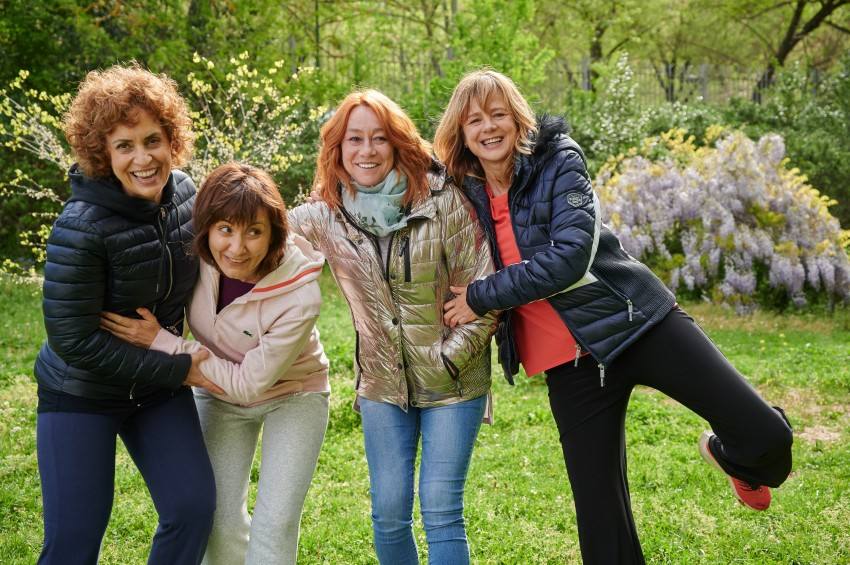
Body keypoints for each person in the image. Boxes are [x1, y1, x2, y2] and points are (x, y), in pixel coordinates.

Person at [433, 69, 794, 565]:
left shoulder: (559, 159)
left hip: (637, 322)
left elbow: (570, 255)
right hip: (566, 362)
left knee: (768, 437)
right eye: (475, 120)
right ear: (462, 131)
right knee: (602, 524)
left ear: (518, 121)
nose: (488, 128)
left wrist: (481, 295)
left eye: (498, 115)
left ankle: (734, 459)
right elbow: (393, 182)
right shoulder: (460, 189)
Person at [287, 89, 497, 565]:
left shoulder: (442, 200)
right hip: (382, 386)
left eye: (379, 139)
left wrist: (449, 356)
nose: (366, 151)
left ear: (397, 143)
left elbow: (485, 287)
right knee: (387, 513)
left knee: (442, 509)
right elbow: (257, 235)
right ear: (337, 149)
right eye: (354, 139)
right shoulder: (326, 215)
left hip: (453, 380)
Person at [100, 162, 330, 565]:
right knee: (217, 521)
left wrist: (164, 345)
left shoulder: (301, 296)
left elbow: (248, 385)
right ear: (206, 227)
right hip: (217, 391)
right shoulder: (196, 258)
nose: (237, 248)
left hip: (294, 395)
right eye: (225, 229)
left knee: (274, 524)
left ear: (274, 232)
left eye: (253, 232)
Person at [33, 64, 218, 565]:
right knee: (74, 540)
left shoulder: (184, 194)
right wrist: (178, 366)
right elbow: (74, 340)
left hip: (157, 394)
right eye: (125, 146)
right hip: (80, 395)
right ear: (102, 153)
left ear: (171, 139)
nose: (144, 158)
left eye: (153, 139)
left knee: (193, 509)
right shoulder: (81, 226)